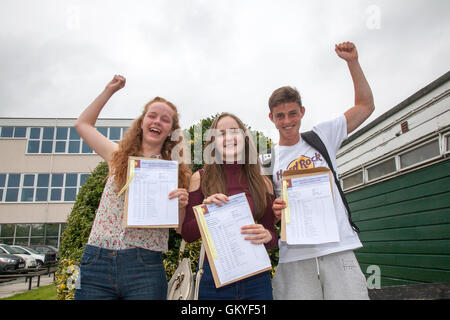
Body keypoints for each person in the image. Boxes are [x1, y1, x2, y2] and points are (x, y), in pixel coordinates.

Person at [269, 42, 375, 300]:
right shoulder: (266, 159)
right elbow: (267, 212)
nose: (287, 121)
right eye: (280, 116)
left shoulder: (322, 136)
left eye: (292, 113)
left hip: (338, 248)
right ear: (271, 118)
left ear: (302, 112)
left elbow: (365, 106)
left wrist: (353, 63)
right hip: (295, 256)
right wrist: (275, 212)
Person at [74, 75, 191, 300]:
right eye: (152, 116)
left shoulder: (175, 172)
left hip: (144, 266)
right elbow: (82, 124)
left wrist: (180, 204)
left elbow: (178, 226)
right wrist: (108, 91)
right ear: (141, 122)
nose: (157, 121)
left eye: (165, 120)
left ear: (171, 131)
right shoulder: (117, 156)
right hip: (97, 260)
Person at [181, 112, 278, 300]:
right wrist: (204, 212)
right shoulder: (200, 178)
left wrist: (267, 236)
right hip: (215, 280)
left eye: (234, 132)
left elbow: (271, 236)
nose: (228, 138)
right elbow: (187, 234)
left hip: (257, 279)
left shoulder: (262, 181)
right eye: (221, 134)